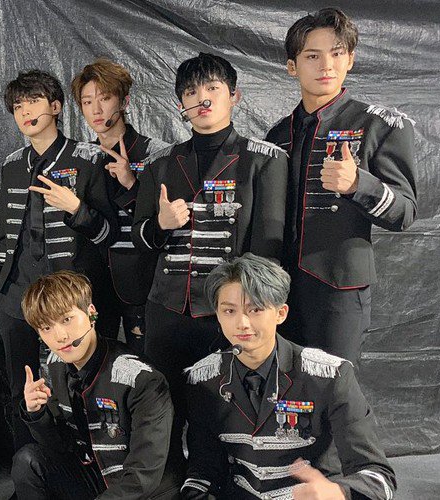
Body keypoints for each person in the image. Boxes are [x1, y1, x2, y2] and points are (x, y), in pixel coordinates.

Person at [130, 52, 288, 476]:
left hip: (230, 313)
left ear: (234, 96)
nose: (202, 99)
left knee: (226, 407)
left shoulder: (264, 159)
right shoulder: (161, 163)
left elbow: (268, 251)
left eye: (212, 89)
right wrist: (161, 225)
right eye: (191, 92)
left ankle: (222, 482)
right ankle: (167, 482)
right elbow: (139, 241)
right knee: (163, 410)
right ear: (180, 103)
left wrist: (250, 313)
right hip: (167, 309)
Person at [266, 7, 417, 365]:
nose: (326, 66)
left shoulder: (378, 125)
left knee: (332, 389)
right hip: (278, 291)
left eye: (336, 54)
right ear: (292, 66)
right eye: (312, 56)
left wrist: (358, 184)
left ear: (350, 59)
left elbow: (405, 212)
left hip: (339, 292)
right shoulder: (277, 135)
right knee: (285, 387)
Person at [182, 253, 395, 500]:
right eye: (229, 311)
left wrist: (339, 492)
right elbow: (203, 472)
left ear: (281, 313)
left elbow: (378, 477)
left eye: (255, 309)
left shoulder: (329, 376)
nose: (242, 323)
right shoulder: (203, 379)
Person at [0, 69, 119, 450]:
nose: (26, 112)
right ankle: (27, 465)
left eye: (34, 102)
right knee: (21, 387)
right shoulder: (11, 165)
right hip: (16, 298)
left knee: (79, 385)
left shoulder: (88, 159)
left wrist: (77, 208)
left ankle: (82, 464)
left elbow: (110, 235)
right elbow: (6, 235)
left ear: (56, 106)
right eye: (18, 106)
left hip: (70, 301)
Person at [11, 271, 179, 499]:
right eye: (46, 327)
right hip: (96, 476)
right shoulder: (55, 365)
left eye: (66, 319)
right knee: (28, 461)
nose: (60, 336)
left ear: (91, 313)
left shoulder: (140, 378)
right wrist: (37, 413)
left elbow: (143, 475)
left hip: (142, 490)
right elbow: (61, 448)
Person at [71, 58, 170, 353]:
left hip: (142, 280)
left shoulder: (156, 154)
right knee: (96, 361)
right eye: (87, 102)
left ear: (124, 101)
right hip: (92, 282)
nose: (96, 110)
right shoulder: (81, 158)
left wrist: (131, 184)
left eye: (104, 98)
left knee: (147, 361)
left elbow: (164, 222)